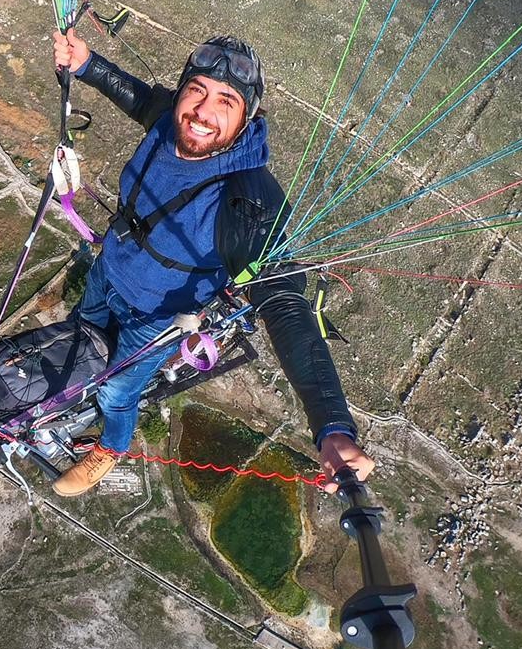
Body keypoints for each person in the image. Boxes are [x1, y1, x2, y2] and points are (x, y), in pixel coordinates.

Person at [50, 30, 375, 497]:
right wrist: (87, 64)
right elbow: (140, 98)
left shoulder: (249, 199)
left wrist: (332, 426)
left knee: (117, 392)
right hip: (110, 269)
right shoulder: (170, 121)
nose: (203, 111)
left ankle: (112, 446)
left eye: (226, 100)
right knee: (84, 329)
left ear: (247, 118)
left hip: (157, 319)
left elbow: (284, 303)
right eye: (196, 90)